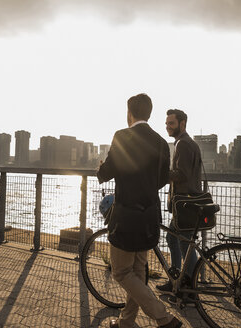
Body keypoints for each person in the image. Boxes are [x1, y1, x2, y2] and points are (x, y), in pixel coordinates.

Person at [97, 94, 182, 328]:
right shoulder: (160, 142)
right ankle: (126, 322)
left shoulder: (122, 136)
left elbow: (107, 173)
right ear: (149, 113)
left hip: (126, 217)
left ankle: (164, 318)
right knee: (138, 271)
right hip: (149, 216)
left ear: (129, 113)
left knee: (121, 273)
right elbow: (163, 178)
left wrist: (101, 168)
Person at [156, 109, 202, 293]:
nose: (167, 126)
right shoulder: (189, 143)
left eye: (171, 123)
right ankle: (177, 278)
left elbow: (182, 175)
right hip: (188, 202)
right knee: (175, 238)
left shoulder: (183, 144)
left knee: (183, 243)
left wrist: (160, 173)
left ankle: (188, 286)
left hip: (185, 204)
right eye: (166, 123)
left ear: (182, 123)